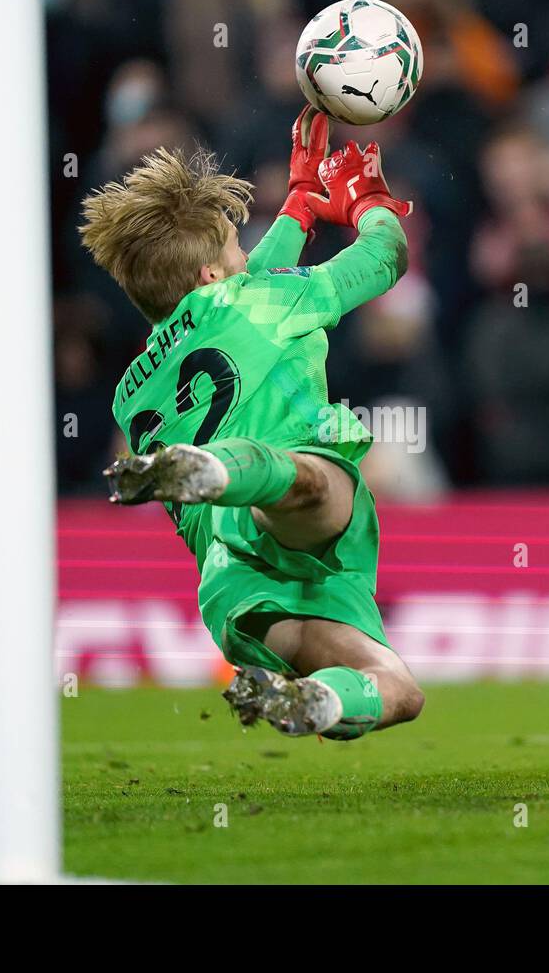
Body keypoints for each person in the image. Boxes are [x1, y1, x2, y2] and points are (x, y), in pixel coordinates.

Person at [79, 108, 424, 740]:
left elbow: (251, 283)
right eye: (237, 246)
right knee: (314, 482)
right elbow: (384, 257)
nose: (249, 254)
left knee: (397, 690)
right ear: (212, 275)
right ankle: (213, 469)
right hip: (274, 509)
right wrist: (370, 201)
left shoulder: (132, 392)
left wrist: (300, 204)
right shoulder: (261, 301)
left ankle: (312, 702)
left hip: (233, 586)